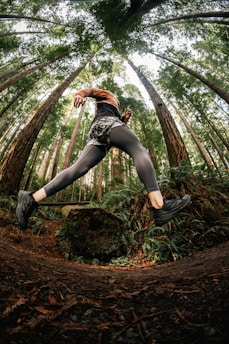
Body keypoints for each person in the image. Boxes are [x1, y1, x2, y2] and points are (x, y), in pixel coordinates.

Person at [16, 87, 191, 229]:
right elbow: (90, 91)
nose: (117, 102)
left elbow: (115, 128)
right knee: (139, 151)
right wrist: (80, 94)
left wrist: (123, 119)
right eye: (117, 102)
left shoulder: (112, 109)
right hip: (106, 125)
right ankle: (159, 206)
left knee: (78, 169)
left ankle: (32, 198)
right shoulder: (108, 95)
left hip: (98, 133)